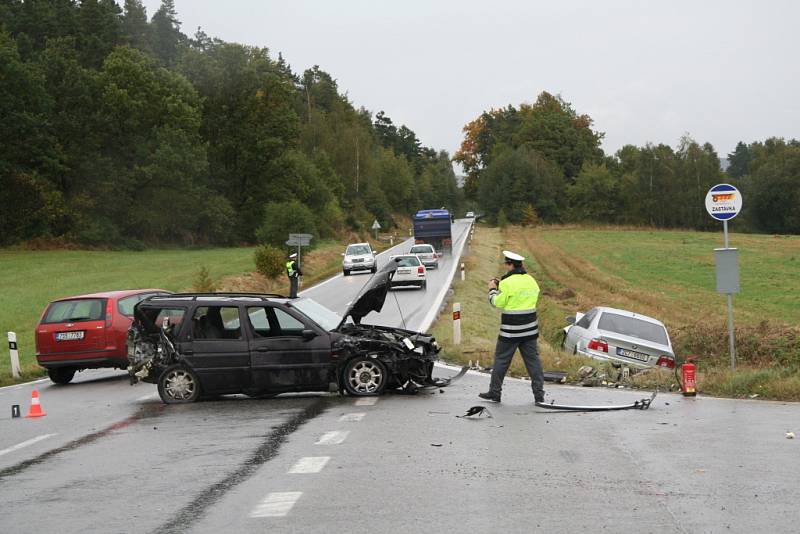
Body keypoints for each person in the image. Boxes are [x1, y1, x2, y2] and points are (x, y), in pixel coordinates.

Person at [479, 250, 544, 403]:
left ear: (510, 265)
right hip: (530, 330)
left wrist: (492, 289)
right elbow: (522, 294)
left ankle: (495, 393)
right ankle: (539, 396)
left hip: (510, 331)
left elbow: (497, 302)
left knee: (501, 360)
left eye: (506, 264)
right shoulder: (531, 280)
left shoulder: (507, 283)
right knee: (533, 362)